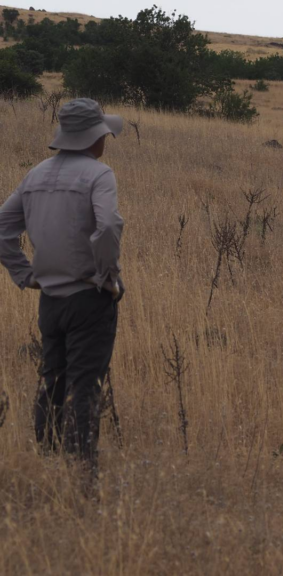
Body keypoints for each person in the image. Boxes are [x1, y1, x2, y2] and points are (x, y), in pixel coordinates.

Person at [0, 98, 125, 474]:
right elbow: (108, 227)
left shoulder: (35, 175)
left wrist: (26, 275)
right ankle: (82, 472)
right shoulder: (99, 175)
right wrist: (107, 277)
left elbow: (2, 229)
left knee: (51, 382)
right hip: (89, 297)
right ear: (95, 137)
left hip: (49, 301)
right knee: (85, 386)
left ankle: (47, 465)